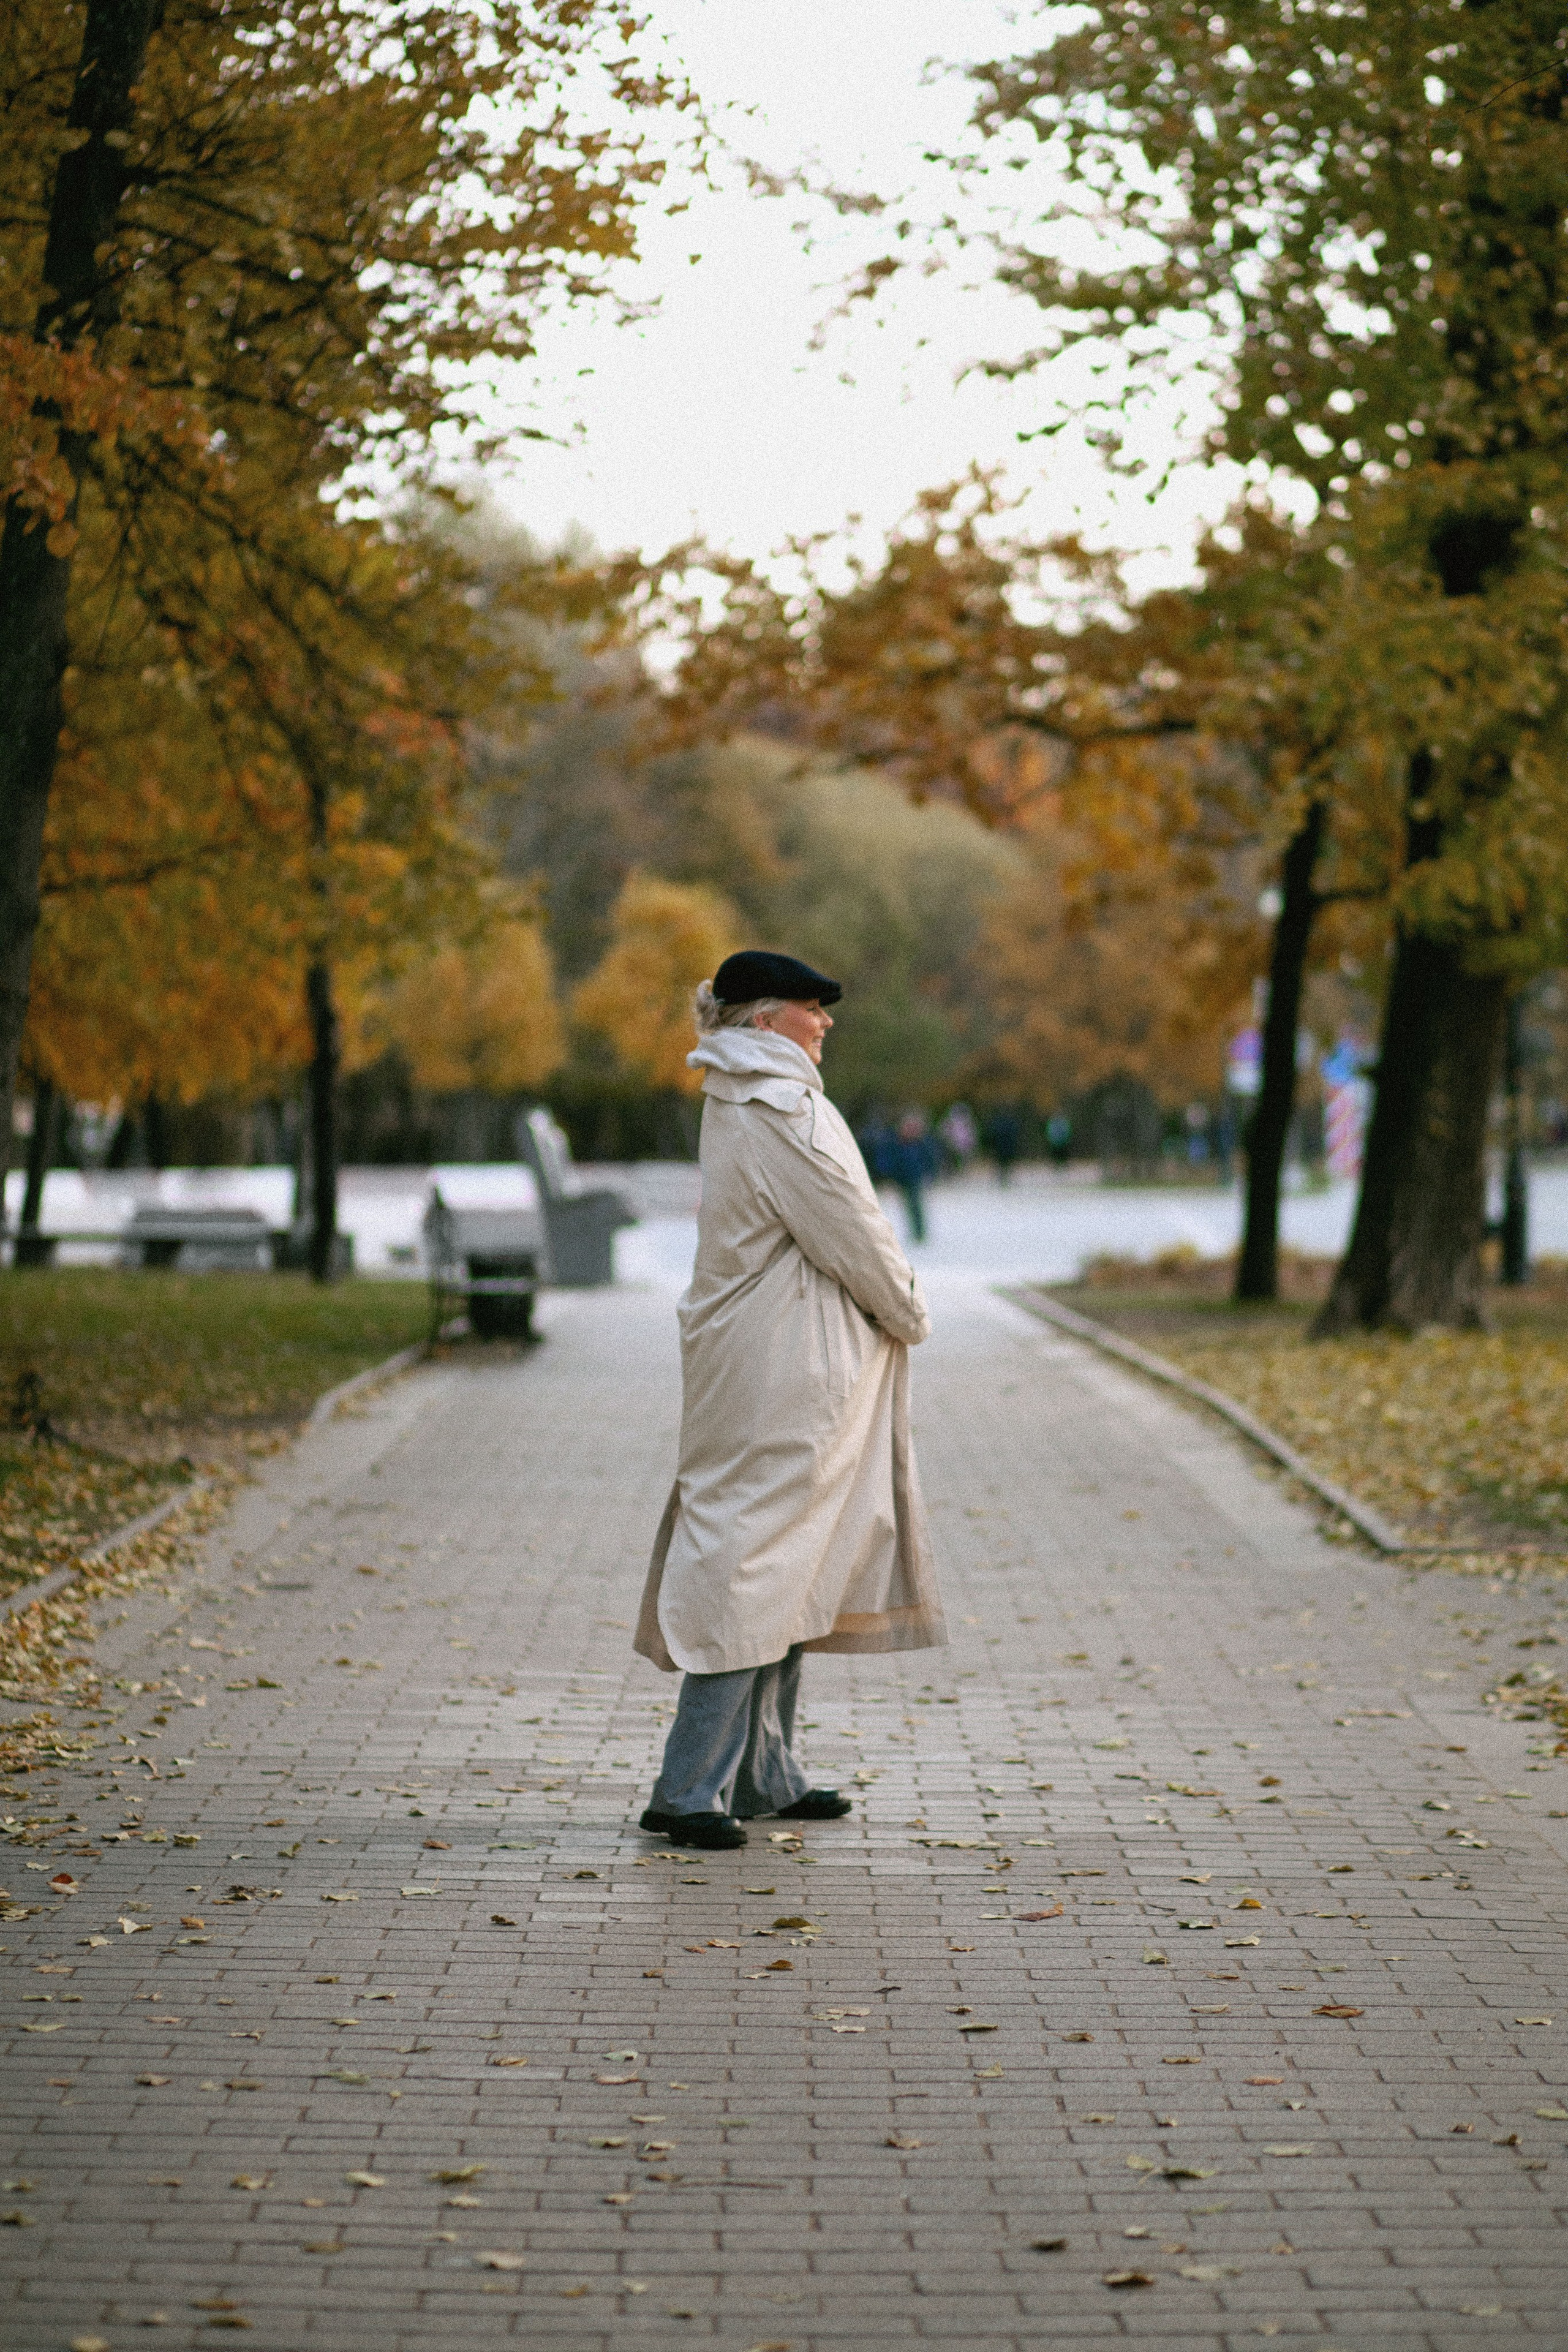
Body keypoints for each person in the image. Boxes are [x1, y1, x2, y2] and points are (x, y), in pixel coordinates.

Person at [635, 948, 946, 1850]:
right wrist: (910, 1310)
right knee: (757, 1559)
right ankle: (689, 1788)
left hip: (759, 1356)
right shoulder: (782, 1107)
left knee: (784, 1555)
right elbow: (851, 1230)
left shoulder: (741, 1094)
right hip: (788, 1367)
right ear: (766, 1019)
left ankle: (764, 1773)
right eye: (813, 1007)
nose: (827, 1021)